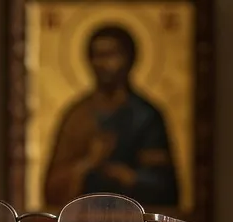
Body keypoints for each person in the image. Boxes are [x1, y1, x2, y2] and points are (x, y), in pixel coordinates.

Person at [42, 24, 179, 207]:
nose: (102, 64)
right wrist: (88, 163)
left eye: (111, 55)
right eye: (97, 56)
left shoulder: (146, 116)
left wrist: (129, 177)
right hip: (84, 218)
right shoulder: (77, 116)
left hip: (135, 218)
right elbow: (52, 188)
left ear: (129, 59)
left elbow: (165, 186)